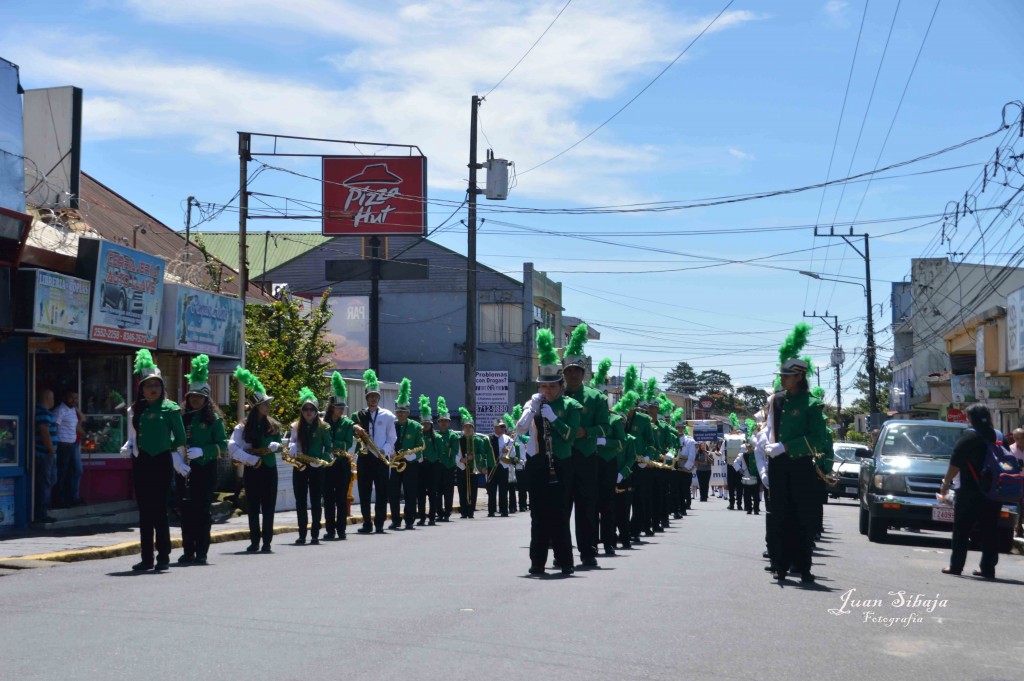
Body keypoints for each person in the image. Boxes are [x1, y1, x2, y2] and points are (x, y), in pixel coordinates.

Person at [516, 328, 583, 576]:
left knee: (560, 515)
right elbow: (519, 429)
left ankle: (565, 561)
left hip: (562, 465)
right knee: (538, 517)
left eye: (551, 386)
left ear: (560, 386)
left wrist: (554, 419)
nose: (546, 391)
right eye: (543, 386)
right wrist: (531, 408)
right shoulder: (534, 403)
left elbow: (569, 436)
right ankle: (537, 562)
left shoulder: (570, 406)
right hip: (537, 464)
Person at [764, 355, 830, 584]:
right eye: (782, 375)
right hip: (778, 465)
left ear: (799, 376)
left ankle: (803, 568)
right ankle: (780, 566)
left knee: (802, 517)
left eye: (787, 376)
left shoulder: (812, 404)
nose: (782, 379)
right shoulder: (776, 400)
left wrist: (787, 446)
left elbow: (818, 440)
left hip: (800, 464)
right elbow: (768, 429)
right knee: (780, 515)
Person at [121, 349, 187, 572]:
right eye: (149, 386)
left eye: (157, 386)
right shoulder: (136, 409)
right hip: (142, 462)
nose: (153, 390)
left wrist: (166, 448)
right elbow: (133, 434)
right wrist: (129, 446)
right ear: (142, 389)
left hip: (161, 462)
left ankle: (164, 556)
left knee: (159, 510)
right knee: (145, 512)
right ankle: (146, 557)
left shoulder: (170, 409)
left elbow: (180, 437)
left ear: (162, 388)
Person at [562, 324, 610, 567]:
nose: (573, 375)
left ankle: (588, 551)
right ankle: (562, 553)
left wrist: (586, 431)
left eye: (577, 371)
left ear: (584, 373)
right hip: (561, 458)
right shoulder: (554, 396)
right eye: (569, 371)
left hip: (586, 457)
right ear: (563, 372)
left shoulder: (595, 397)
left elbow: (606, 427)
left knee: (586, 506)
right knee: (560, 508)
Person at [941, 404, 1004, 579]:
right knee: (990, 530)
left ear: (971, 418)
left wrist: (946, 483)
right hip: (993, 492)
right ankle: (988, 568)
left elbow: (955, 463)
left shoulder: (969, 436)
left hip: (969, 491)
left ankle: (956, 566)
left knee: (962, 530)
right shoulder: (998, 436)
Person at [177, 355, 227, 565]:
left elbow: (223, 445)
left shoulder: (213, 419)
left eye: (198, 397)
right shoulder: (181, 416)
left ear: (206, 399)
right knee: (185, 513)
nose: (194, 400)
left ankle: (202, 551)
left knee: (202, 513)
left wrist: (203, 451)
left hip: (205, 470)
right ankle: (188, 550)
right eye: (191, 397)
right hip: (184, 470)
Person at [229, 366, 283, 553]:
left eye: (268, 404)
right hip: (253, 469)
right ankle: (254, 541)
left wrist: (277, 447)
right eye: (264, 404)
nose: (268, 407)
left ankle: (266, 541)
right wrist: (248, 457)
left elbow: (280, 444)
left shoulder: (273, 424)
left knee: (269, 507)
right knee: (253, 507)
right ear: (256, 407)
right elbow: (233, 447)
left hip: (269, 469)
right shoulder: (243, 426)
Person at [354, 370, 397, 534]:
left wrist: (384, 450)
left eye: (375, 396)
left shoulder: (387, 416)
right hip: (365, 457)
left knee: (381, 491)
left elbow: (392, 437)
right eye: (370, 396)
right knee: (364, 492)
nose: (373, 399)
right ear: (366, 398)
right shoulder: (360, 415)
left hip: (380, 457)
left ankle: (379, 523)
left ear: (379, 398)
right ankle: (367, 522)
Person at [289, 387, 333, 544]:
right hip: (300, 465)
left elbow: (329, 448)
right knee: (300, 500)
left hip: (316, 467)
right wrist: (292, 447)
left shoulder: (323, 427)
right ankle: (302, 534)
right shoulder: (295, 426)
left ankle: (315, 533)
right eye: (305, 409)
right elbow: (292, 443)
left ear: (316, 411)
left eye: (311, 409)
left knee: (315, 500)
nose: (308, 412)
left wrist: (322, 459)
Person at [323, 372, 355, 540]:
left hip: (342, 463)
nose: (341, 410)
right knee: (328, 498)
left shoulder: (348, 423)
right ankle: (329, 530)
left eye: (343, 408)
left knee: (341, 498)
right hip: (327, 464)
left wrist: (335, 445)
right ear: (332, 407)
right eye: (338, 407)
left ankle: (341, 530)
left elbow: (348, 443)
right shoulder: (323, 423)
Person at [389, 379, 423, 530]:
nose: (400, 414)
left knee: (411, 492)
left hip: (410, 463)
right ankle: (395, 520)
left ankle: (409, 519)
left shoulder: (416, 427)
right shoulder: (392, 425)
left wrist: (410, 455)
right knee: (393, 493)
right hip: (395, 463)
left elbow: (421, 446)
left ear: (408, 412)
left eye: (403, 412)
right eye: (398, 412)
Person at [52, 389, 85, 508]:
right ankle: (58, 500)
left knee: (75, 472)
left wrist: (86, 435)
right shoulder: (60, 410)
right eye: (71, 397)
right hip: (62, 445)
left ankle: (71, 498)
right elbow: (54, 428)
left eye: (76, 398)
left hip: (72, 444)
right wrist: (53, 446)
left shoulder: (71, 410)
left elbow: (79, 423)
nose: (74, 400)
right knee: (62, 474)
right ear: (64, 398)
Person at [456, 408, 491, 518]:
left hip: (473, 468)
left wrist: (474, 457)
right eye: (465, 427)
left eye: (470, 427)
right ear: (462, 428)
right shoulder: (459, 439)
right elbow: (455, 453)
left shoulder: (477, 440)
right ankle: (463, 511)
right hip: (462, 467)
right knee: (462, 490)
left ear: (473, 429)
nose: (467, 429)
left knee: (473, 491)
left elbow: (482, 454)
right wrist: (462, 460)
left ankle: (470, 511)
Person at [34, 389, 58, 523]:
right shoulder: (42, 413)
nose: (54, 401)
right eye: (52, 398)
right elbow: (44, 431)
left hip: (48, 455)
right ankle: (41, 514)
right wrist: (51, 449)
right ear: (48, 398)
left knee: (50, 481)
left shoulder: (44, 412)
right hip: (44, 454)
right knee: (45, 483)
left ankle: (44, 510)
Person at [418, 395, 442, 526]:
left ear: (431, 424)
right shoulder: (419, 436)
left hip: (433, 466)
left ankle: (432, 516)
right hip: (421, 466)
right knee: (420, 493)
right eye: (423, 424)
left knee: (433, 493)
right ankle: (422, 516)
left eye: (427, 424)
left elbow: (440, 452)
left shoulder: (436, 437)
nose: (425, 426)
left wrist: (435, 462)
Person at [435, 397, 458, 521]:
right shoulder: (435, 435)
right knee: (438, 491)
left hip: (448, 466)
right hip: (438, 466)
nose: (443, 423)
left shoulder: (453, 435)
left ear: (449, 422)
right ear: (438, 422)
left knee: (448, 491)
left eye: (446, 421)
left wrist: (443, 450)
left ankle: (447, 512)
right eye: (441, 420)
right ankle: (439, 512)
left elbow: (454, 450)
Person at [486, 419, 512, 517]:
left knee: (503, 489)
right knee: (491, 490)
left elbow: (512, 452)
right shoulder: (489, 438)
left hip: (503, 465)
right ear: (495, 428)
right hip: (492, 466)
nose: (503, 428)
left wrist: (507, 450)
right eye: (500, 426)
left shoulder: (508, 438)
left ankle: (504, 510)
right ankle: (491, 510)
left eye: (503, 426)